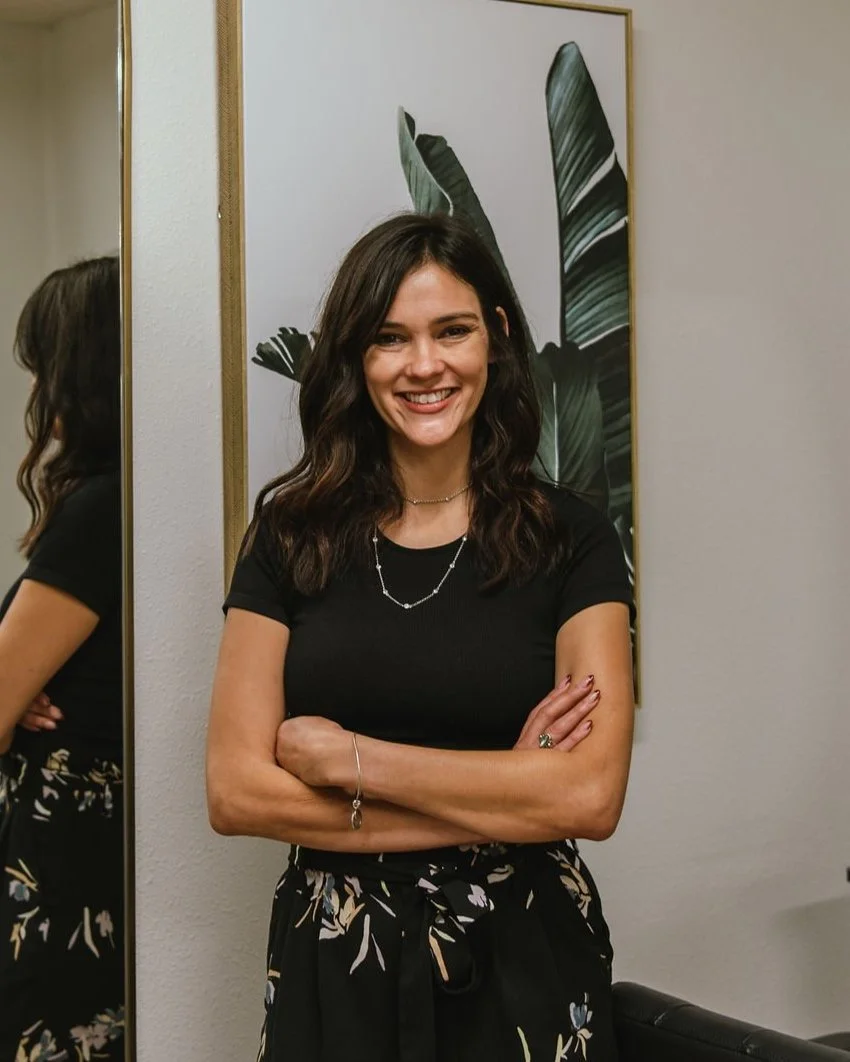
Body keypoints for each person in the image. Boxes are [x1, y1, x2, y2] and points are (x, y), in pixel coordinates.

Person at [207, 213, 635, 1062]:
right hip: (336, 958)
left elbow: (588, 798)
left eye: (452, 331)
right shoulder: (289, 536)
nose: (425, 364)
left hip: (523, 954)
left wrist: (351, 761)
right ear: (356, 357)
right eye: (390, 338)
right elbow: (236, 793)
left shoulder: (573, 538)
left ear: (496, 337)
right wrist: (509, 795)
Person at [0, 257, 125, 1059]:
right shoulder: (125, 498)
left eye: (44, 365)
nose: (36, 390)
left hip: (62, 856)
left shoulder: (97, 510)